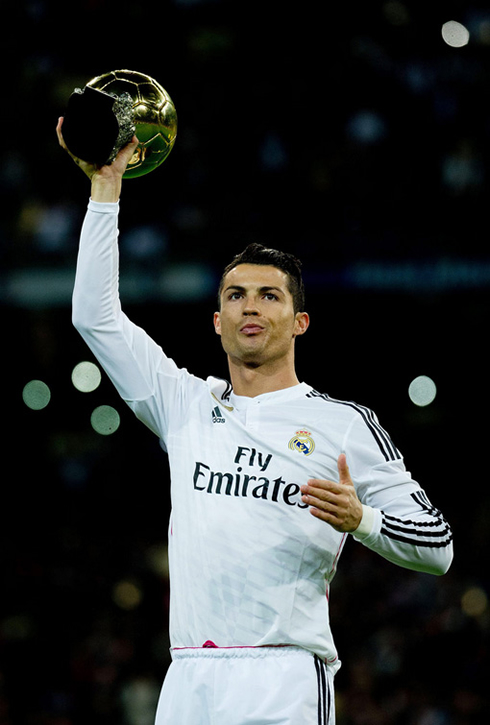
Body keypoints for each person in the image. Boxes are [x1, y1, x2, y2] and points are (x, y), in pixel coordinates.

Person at [56, 119, 453, 725]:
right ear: (217, 320)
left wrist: (363, 519)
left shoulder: (342, 424)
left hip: (284, 678)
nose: (250, 305)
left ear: (300, 323)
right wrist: (106, 187)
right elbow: (94, 316)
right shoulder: (184, 405)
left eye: (270, 296)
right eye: (236, 294)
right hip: (188, 677)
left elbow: (439, 549)